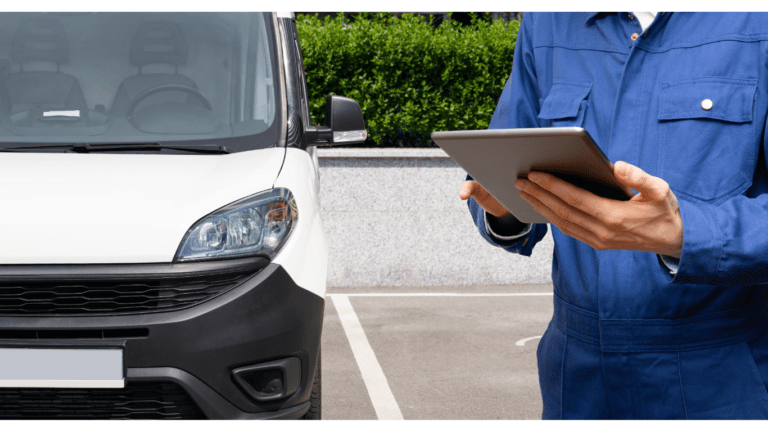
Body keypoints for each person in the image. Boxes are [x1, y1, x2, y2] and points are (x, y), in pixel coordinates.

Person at [460, 12, 768, 419]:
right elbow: (506, 159)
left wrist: (685, 234)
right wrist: (504, 211)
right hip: (576, 380)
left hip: (720, 376)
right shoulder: (548, 21)